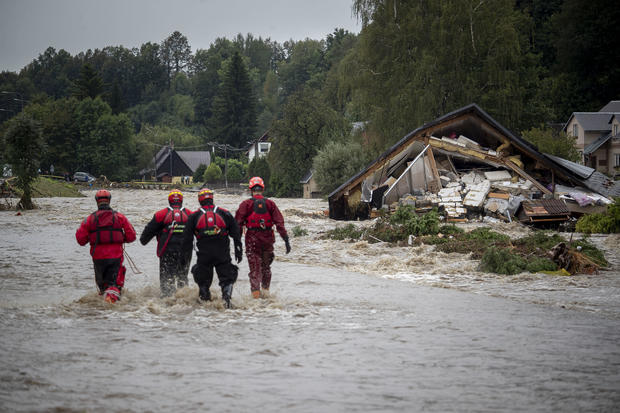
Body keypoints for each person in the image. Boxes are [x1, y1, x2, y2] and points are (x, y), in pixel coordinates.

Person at [181, 188, 242, 308]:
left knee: (203, 282)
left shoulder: (194, 216)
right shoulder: (225, 213)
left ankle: (205, 308)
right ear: (212, 199)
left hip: (204, 256)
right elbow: (236, 234)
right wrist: (239, 251)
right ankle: (226, 302)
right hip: (222, 254)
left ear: (200, 200)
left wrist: (184, 259)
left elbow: (186, 240)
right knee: (227, 280)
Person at [75, 189, 137, 303]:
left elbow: (80, 240)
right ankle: (112, 305)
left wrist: (92, 237)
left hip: (98, 259)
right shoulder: (120, 217)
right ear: (109, 200)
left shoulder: (89, 219)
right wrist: (121, 239)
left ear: (96, 201)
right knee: (114, 285)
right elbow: (132, 236)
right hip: (115, 257)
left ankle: (103, 309)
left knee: (103, 287)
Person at [235, 176, 290, 299]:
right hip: (268, 239)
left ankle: (255, 300)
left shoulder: (246, 204)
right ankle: (266, 295)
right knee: (266, 268)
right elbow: (279, 223)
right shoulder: (270, 204)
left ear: (251, 190)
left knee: (255, 269)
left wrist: (237, 244)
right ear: (263, 189)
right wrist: (286, 239)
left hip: (252, 239)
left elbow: (237, 224)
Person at [140, 190, 193, 297]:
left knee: (167, 279)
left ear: (169, 201)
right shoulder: (191, 215)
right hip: (185, 253)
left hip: (167, 252)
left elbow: (144, 239)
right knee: (182, 277)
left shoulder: (160, 215)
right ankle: (185, 300)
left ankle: (167, 303)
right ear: (181, 201)